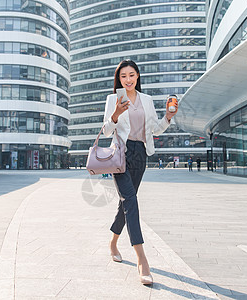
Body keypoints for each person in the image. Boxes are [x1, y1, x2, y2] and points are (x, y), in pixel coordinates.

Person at [103, 59, 177, 285]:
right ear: (119, 78)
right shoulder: (113, 99)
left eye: (131, 75)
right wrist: (115, 114)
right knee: (131, 202)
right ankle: (142, 259)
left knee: (126, 203)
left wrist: (168, 117)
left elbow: (154, 129)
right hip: (121, 155)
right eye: (123, 76)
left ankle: (113, 243)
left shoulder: (146, 100)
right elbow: (106, 131)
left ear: (137, 76)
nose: (128, 79)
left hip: (140, 154)